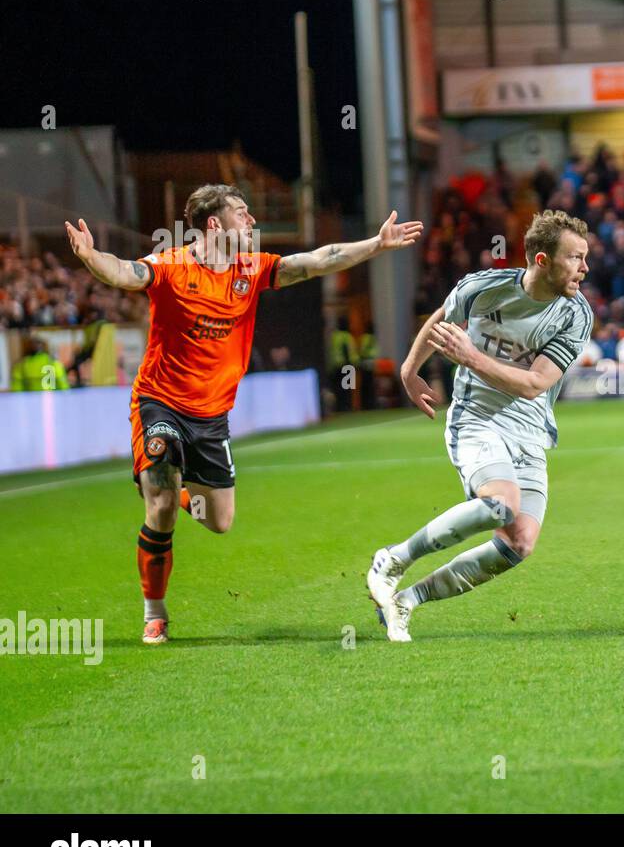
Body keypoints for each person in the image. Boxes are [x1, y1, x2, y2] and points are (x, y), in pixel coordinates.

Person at [65, 184, 423, 643]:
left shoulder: (250, 269)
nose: (252, 221)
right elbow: (126, 273)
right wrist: (93, 257)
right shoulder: (172, 265)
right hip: (160, 400)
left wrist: (376, 244)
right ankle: (154, 611)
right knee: (160, 504)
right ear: (215, 224)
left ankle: (176, 490)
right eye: (242, 212)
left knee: (220, 521)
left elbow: (317, 260)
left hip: (212, 415)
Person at [366, 209, 592, 642]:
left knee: (518, 544)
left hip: (528, 429)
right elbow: (441, 318)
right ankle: (391, 561)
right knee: (501, 504)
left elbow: (533, 384)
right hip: (477, 417)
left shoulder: (575, 315)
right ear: (542, 261)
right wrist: (409, 371)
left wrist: (471, 357)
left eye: (585, 258)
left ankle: (406, 601)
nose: (584, 269)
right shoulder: (483, 287)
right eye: (575, 258)